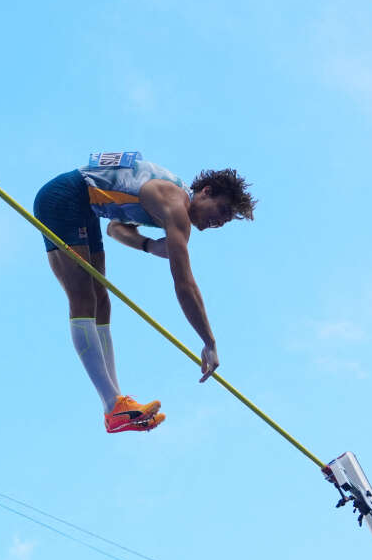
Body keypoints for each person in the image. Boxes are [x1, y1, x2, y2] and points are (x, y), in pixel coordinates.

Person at [32, 151, 256, 433]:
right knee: (84, 298)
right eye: (222, 211)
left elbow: (115, 228)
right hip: (66, 197)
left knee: (102, 302)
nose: (220, 222)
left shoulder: (173, 205)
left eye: (227, 220)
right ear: (206, 192)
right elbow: (184, 283)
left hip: (86, 206)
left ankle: (117, 404)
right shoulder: (174, 204)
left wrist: (149, 246)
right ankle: (112, 406)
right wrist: (209, 342)